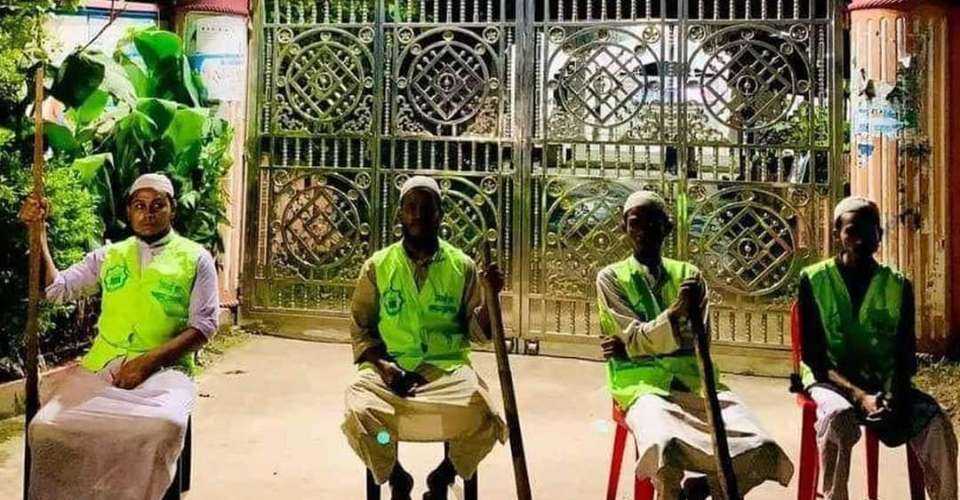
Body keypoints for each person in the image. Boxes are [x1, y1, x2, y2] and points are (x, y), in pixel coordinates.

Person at [18, 173, 219, 500]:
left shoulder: (196, 258)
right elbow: (56, 289)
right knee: (46, 429)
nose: (148, 213)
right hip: (101, 369)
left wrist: (146, 363)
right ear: (129, 212)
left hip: (165, 374)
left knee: (162, 425)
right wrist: (37, 232)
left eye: (158, 205)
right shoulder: (109, 256)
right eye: (139, 206)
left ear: (173, 210)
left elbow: (204, 327)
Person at [597, 190, 793, 500]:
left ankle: (702, 489)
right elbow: (632, 335)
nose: (644, 231)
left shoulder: (690, 276)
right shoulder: (610, 278)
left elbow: (696, 341)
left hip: (698, 383)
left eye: (653, 223)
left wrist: (637, 344)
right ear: (624, 227)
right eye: (635, 223)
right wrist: (673, 316)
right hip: (643, 388)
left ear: (668, 227)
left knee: (761, 445)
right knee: (664, 447)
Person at [341, 176, 507, 500]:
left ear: (439, 214)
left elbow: (480, 332)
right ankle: (395, 475)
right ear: (400, 214)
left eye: (426, 208)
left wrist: (490, 296)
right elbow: (361, 327)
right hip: (389, 372)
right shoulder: (378, 266)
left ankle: (444, 475)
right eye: (411, 207)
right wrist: (384, 366)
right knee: (359, 412)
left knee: (486, 416)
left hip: (448, 373)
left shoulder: (462, 266)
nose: (418, 214)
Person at [799, 196, 958, 500]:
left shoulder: (898, 285)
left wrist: (891, 397)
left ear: (879, 236)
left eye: (870, 230)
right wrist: (860, 397)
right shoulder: (814, 280)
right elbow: (814, 357)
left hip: (884, 386)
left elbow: (903, 355)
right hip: (831, 382)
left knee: (936, 424)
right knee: (837, 418)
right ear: (837, 235)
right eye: (851, 231)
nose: (860, 239)